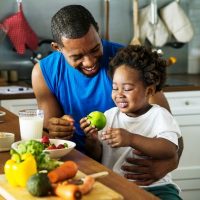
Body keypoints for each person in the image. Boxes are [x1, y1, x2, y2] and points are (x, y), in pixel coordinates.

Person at [32, 4, 183, 186]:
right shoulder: (44, 72)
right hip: (73, 167)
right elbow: (51, 139)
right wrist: (55, 128)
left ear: (98, 30)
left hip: (130, 175)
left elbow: (172, 134)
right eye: (77, 56)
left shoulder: (126, 63)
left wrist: (169, 164)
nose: (90, 62)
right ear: (57, 47)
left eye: (95, 49)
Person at [81, 45, 182, 199]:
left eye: (127, 89)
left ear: (148, 91)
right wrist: (93, 141)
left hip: (156, 187)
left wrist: (131, 139)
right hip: (115, 186)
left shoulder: (159, 116)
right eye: (115, 88)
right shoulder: (109, 116)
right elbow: (98, 157)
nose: (119, 94)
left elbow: (169, 149)